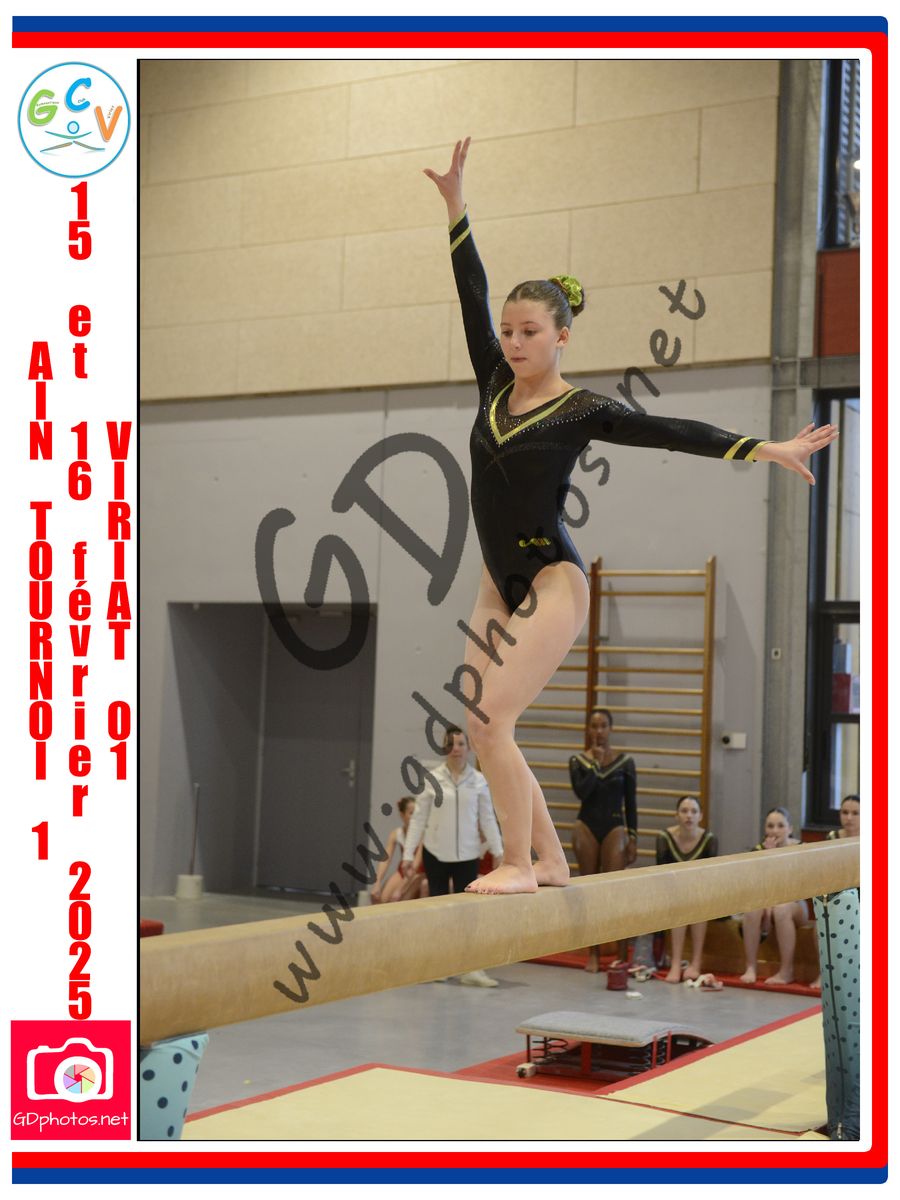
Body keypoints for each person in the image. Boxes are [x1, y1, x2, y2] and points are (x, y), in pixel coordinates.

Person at [423, 136, 839, 896]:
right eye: (508, 331)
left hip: (552, 581)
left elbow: (673, 432)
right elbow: (469, 289)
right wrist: (456, 204)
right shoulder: (492, 384)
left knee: (491, 721)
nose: (513, 342)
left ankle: (517, 863)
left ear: (562, 336)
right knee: (482, 728)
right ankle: (550, 859)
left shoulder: (581, 409)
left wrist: (767, 448)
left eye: (529, 332)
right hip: (494, 579)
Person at [401, 727, 504, 985]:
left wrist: (498, 850)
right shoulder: (432, 779)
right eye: (450, 744)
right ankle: (437, 966)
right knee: (439, 911)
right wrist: (408, 853)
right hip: (436, 854)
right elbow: (418, 819)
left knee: (468, 913)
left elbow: (487, 818)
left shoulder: (479, 781)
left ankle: (470, 968)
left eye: (460, 744)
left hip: (467, 856)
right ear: (444, 748)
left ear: (468, 748)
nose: (455, 748)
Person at [569, 707, 636, 971]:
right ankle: (594, 953)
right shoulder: (578, 761)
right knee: (590, 891)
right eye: (594, 726)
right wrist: (595, 764)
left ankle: (621, 953)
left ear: (611, 729)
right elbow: (582, 793)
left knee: (615, 890)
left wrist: (633, 837)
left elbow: (631, 803)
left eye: (603, 726)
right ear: (588, 730)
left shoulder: (625, 762)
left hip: (614, 826)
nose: (599, 731)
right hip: (586, 825)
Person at [740, 806, 809, 985]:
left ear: (790, 829)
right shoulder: (758, 850)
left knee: (782, 909)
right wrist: (767, 857)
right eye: (770, 826)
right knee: (751, 909)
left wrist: (775, 858)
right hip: (768, 901)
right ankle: (751, 966)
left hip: (796, 904)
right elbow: (756, 887)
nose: (775, 831)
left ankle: (787, 971)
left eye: (780, 826)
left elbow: (797, 887)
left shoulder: (801, 849)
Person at [656, 795, 719, 982]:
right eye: (684, 811)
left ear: (701, 816)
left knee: (697, 901)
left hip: (701, 894)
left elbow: (710, 877)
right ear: (676, 815)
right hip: (672, 893)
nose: (689, 816)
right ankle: (676, 963)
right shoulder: (664, 837)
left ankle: (696, 962)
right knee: (681, 902)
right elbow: (662, 874)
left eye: (693, 812)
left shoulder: (709, 839)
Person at [370, 797, 428, 903]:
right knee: (382, 899)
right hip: (403, 871)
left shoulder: (424, 834)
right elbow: (385, 859)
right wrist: (377, 883)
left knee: (401, 898)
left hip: (419, 872)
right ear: (402, 815)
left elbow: (415, 865)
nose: (415, 817)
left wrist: (400, 890)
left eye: (417, 814)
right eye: (411, 813)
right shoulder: (396, 833)